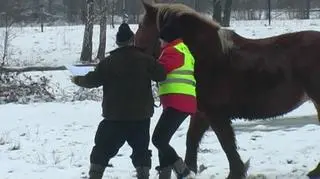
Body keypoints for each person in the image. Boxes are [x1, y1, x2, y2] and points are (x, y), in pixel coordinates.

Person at [71, 22, 166, 179]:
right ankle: (143, 175)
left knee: (102, 148)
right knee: (141, 150)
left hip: (114, 116)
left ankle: (95, 175)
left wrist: (76, 79)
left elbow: (91, 81)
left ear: (118, 42)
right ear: (132, 40)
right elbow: (162, 75)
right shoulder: (145, 60)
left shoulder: (108, 63)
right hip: (140, 116)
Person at [151, 23, 197, 179]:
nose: (160, 44)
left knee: (158, 139)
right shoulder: (184, 50)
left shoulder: (172, 51)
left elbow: (159, 72)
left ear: (167, 40)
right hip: (182, 102)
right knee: (163, 140)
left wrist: (144, 64)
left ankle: (183, 171)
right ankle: (165, 175)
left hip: (178, 102)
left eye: (161, 41)